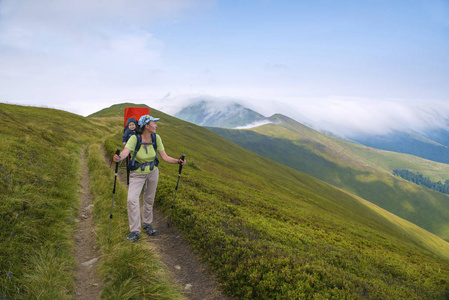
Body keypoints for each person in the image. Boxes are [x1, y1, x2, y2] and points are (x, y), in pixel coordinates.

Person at [113, 114, 186, 242]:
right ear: (146, 126)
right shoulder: (134, 138)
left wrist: (177, 161)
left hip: (153, 172)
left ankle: (147, 224)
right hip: (137, 174)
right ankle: (135, 231)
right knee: (132, 200)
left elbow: (165, 157)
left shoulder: (156, 137)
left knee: (149, 198)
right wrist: (119, 157)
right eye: (153, 123)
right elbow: (125, 151)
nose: (156, 125)